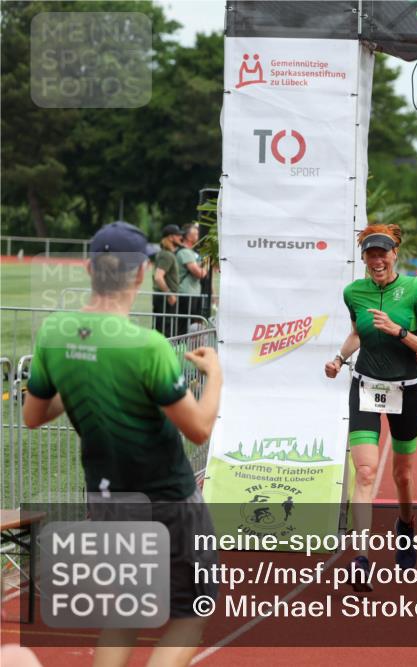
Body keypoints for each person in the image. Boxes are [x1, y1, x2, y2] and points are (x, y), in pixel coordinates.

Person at [22, 221, 223, 666]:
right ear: (139, 274)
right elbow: (199, 429)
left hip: (108, 498)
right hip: (168, 498)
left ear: (89, 268)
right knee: (194, 610)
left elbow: (32, 416)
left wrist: (76, 373)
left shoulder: (56, 333)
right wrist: (216, 377)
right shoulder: (147, 346)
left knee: (126, 609)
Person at [324, 224, 417, 587]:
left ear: (395, 254)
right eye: (370, 254)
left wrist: (399, 331)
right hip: (366, 386)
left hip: (407, 390)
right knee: (367, 472)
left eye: (382, 253)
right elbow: (357, 333)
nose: (377, 260)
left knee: (402, 475)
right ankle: (360, 558)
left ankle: (406, 524)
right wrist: (339, 360)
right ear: (363, 259)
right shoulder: (353, 292)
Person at [176, 224, 208, 335]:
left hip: (192, 293)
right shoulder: (185, 252)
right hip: (186, 293)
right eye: (196, 234)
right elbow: (199, 273)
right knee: (184, 326)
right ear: (189, 237)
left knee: (190, 324)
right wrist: (204, 268)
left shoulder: (190, 252)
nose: (199, 236)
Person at [153, 224, 183, 337]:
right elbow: (158, 277)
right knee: (166, 332)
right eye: (178, 235)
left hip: (163, 298)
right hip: (165, 299)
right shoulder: (167, 255)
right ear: (170, 237)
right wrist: (169, 294)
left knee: (164, 330)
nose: (180, 238)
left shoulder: (166, 254)